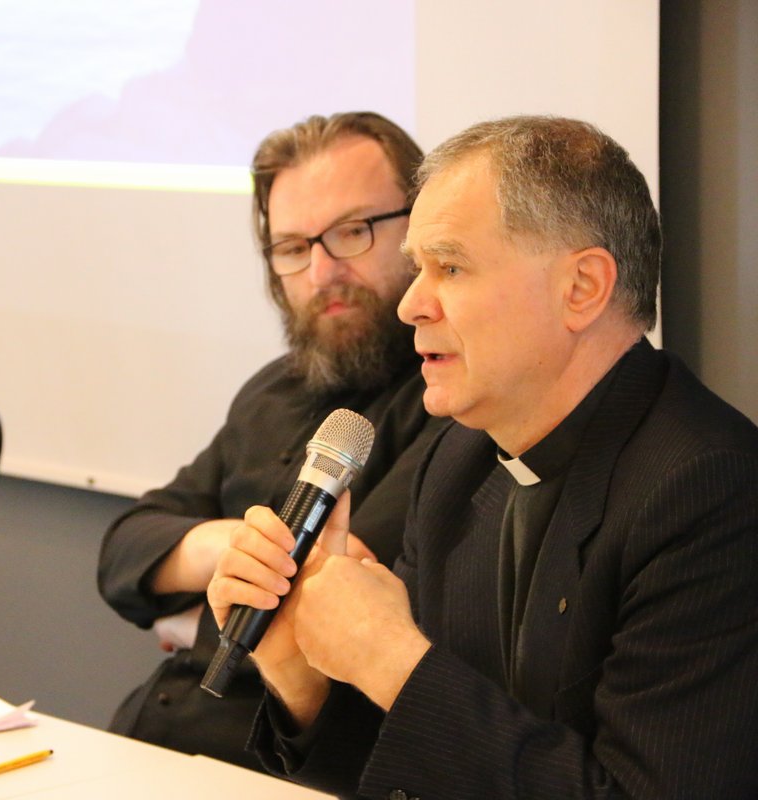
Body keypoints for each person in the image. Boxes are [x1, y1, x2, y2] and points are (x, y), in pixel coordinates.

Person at [208, 116, 758, 797]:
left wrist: (392, 660)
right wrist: (300, 673)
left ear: (582, 287)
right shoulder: (457, 460)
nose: (411, 304)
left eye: (449, 267)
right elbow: (407, 762)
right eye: (417, 268)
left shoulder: (709, 489)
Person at [97, 112, 446, 770]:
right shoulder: (272, 389)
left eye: (352, 232)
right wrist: (233, 548)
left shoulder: (450, 399)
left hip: (279, 764)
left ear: (419, 229)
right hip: (145, 738)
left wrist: (203, 601)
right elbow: (123, 555)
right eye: (292, 248)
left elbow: (331, 593)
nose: (321, 272)